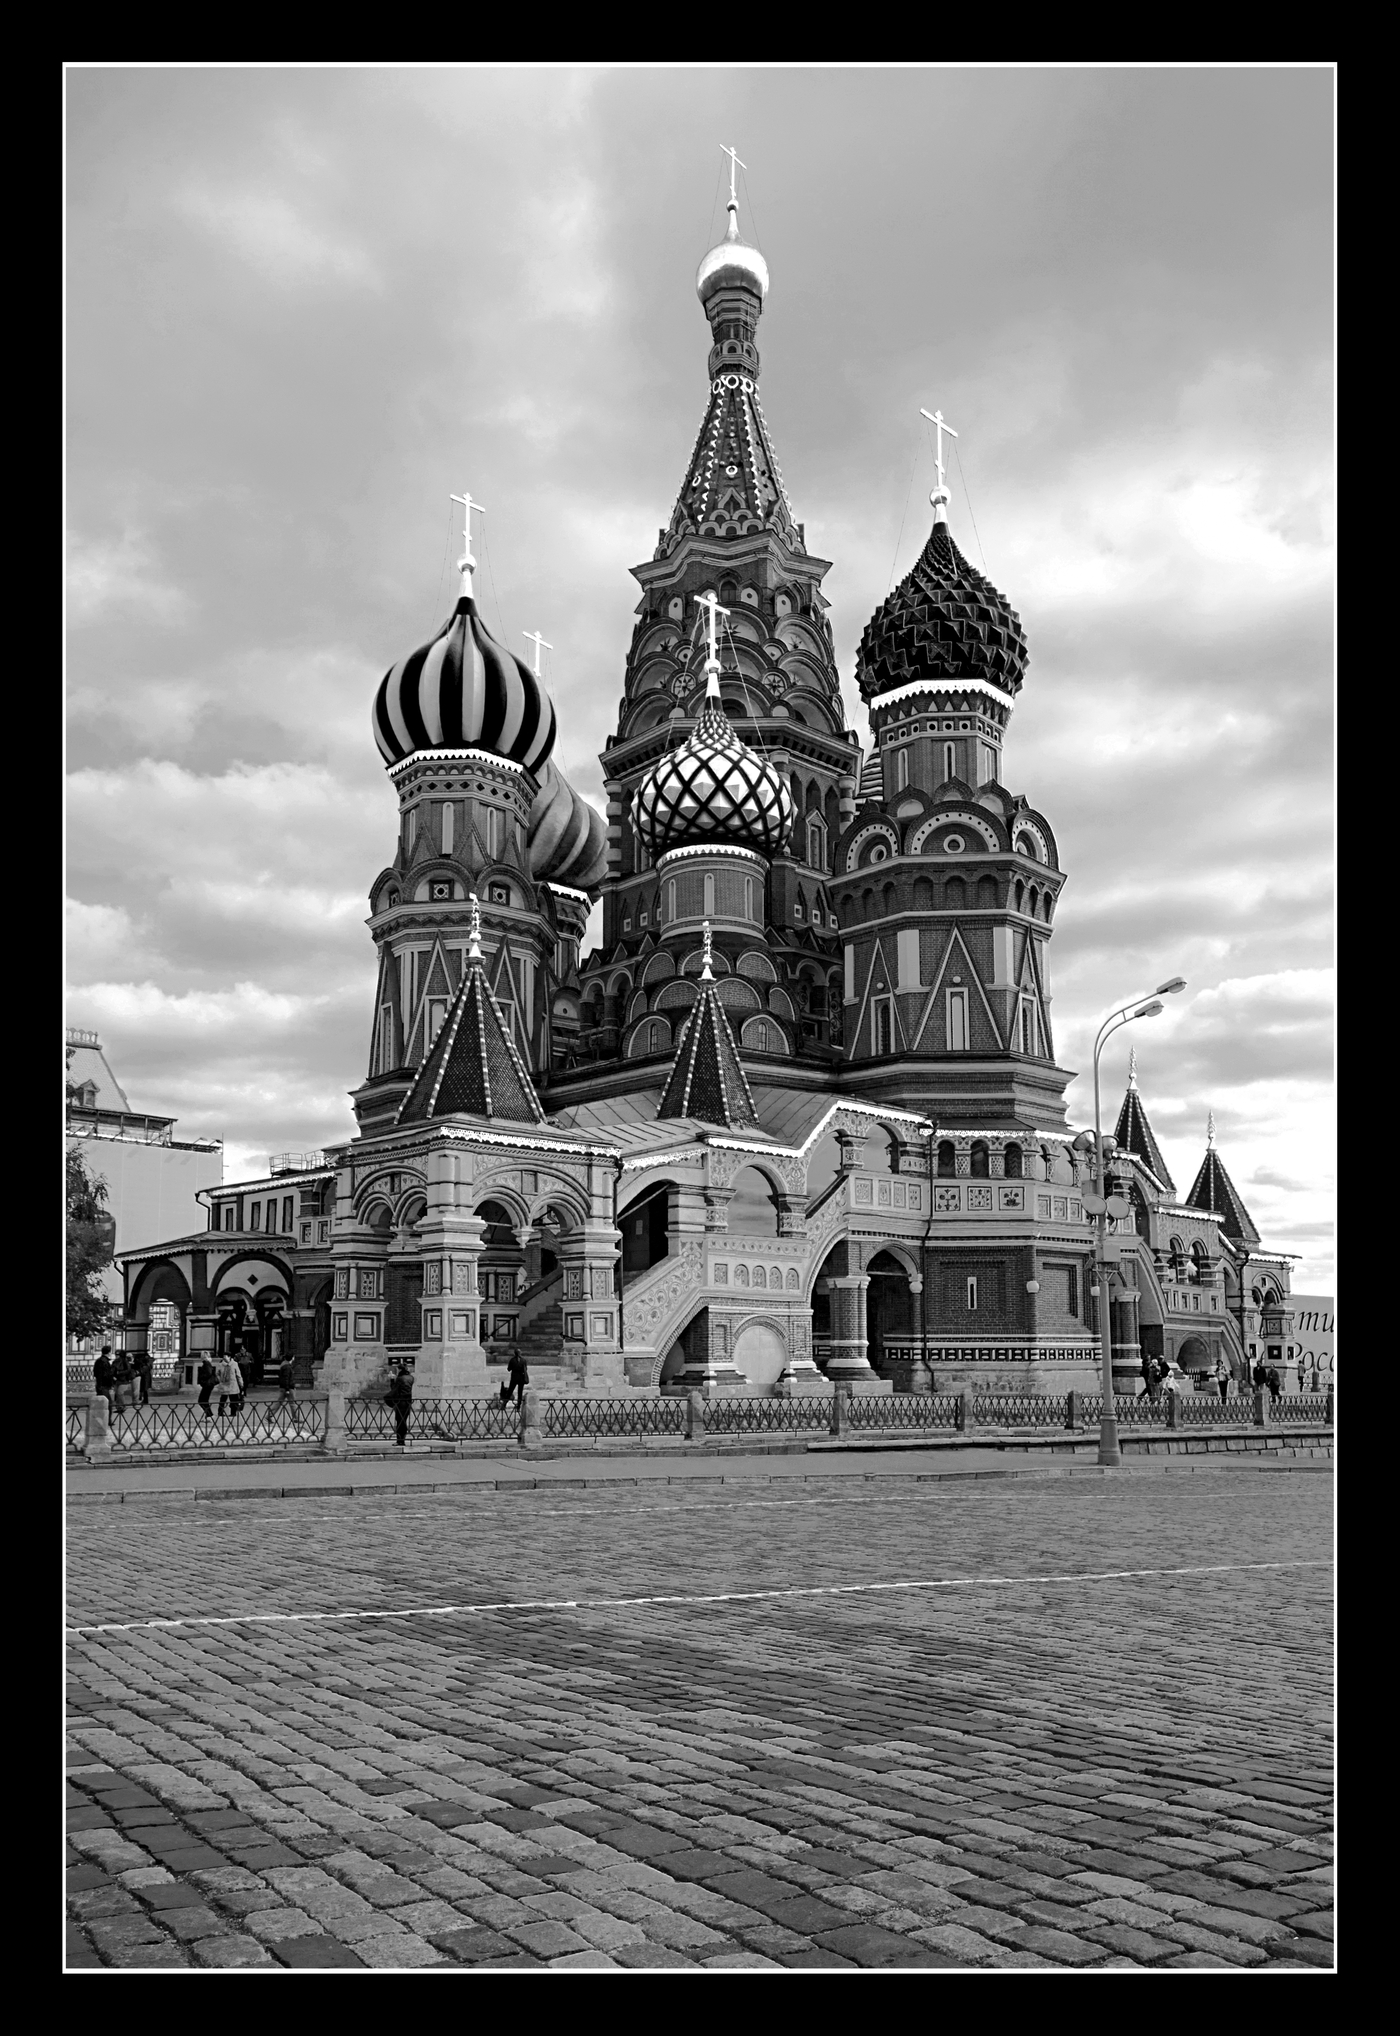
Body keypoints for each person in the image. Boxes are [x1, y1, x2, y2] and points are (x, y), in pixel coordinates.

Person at [385, 1363, 413, 1447]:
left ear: (400, 1370)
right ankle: (402, 1440)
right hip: (408, 1402)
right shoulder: (411, 1378)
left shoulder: (400, 1378)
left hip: (400, 1402)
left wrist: (392, 1379)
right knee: (404, 1421)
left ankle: (399, 1440)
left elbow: (394, 1389)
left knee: (399, 1421)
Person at [216, 1351, 244, 1418]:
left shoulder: (234, 1364)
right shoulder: (220, 1364)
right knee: (223, 1399)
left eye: (225, 1356)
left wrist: (241, 1383)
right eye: (223, 1356)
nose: (224, 1358)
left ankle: (233, 1412)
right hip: (224, 1384)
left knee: (233, 1400)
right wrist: (220, 1380)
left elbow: (238, 1374)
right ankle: (220, 1412)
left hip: (232, 1384)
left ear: (229, 1357)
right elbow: (217, 1374)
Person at [92, 1347, 114, 1418]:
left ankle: (102, 1419)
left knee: (102, 1403)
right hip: (103, 1385)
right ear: (108, 1352)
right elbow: (105, 1374)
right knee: (108, 1403)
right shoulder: (104, 1362)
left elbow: (95, 1373)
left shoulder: (99, 1360)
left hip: (100, 1384)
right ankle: (106, 1420)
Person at [111, 1349, 134, 1416]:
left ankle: (123, 1406)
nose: (116, 1356)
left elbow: (128, 1370)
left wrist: (120, 1373)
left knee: (120, 1393)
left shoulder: (124, 1361)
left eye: (118, 1355)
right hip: (117, 1380)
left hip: (124, 1380)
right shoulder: (115, 1362)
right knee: (117, 1394)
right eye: (116, 1355)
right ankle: (119, 1407)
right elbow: (113, 1370)